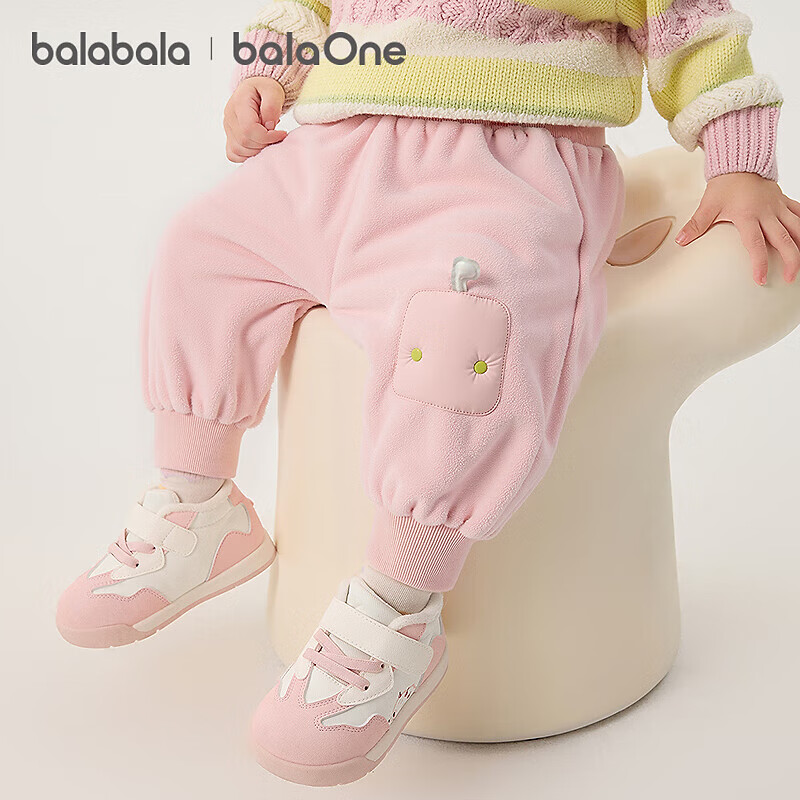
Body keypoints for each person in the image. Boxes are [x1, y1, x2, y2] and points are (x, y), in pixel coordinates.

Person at [57, 0, 798, 786]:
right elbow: (311, 7)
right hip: (334, 155)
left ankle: (394, 607)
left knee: (464, 334)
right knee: (201, 249)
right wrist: (264, 77)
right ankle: (196, 502)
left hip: (507, 169)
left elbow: (695, 28)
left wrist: (741, 163)